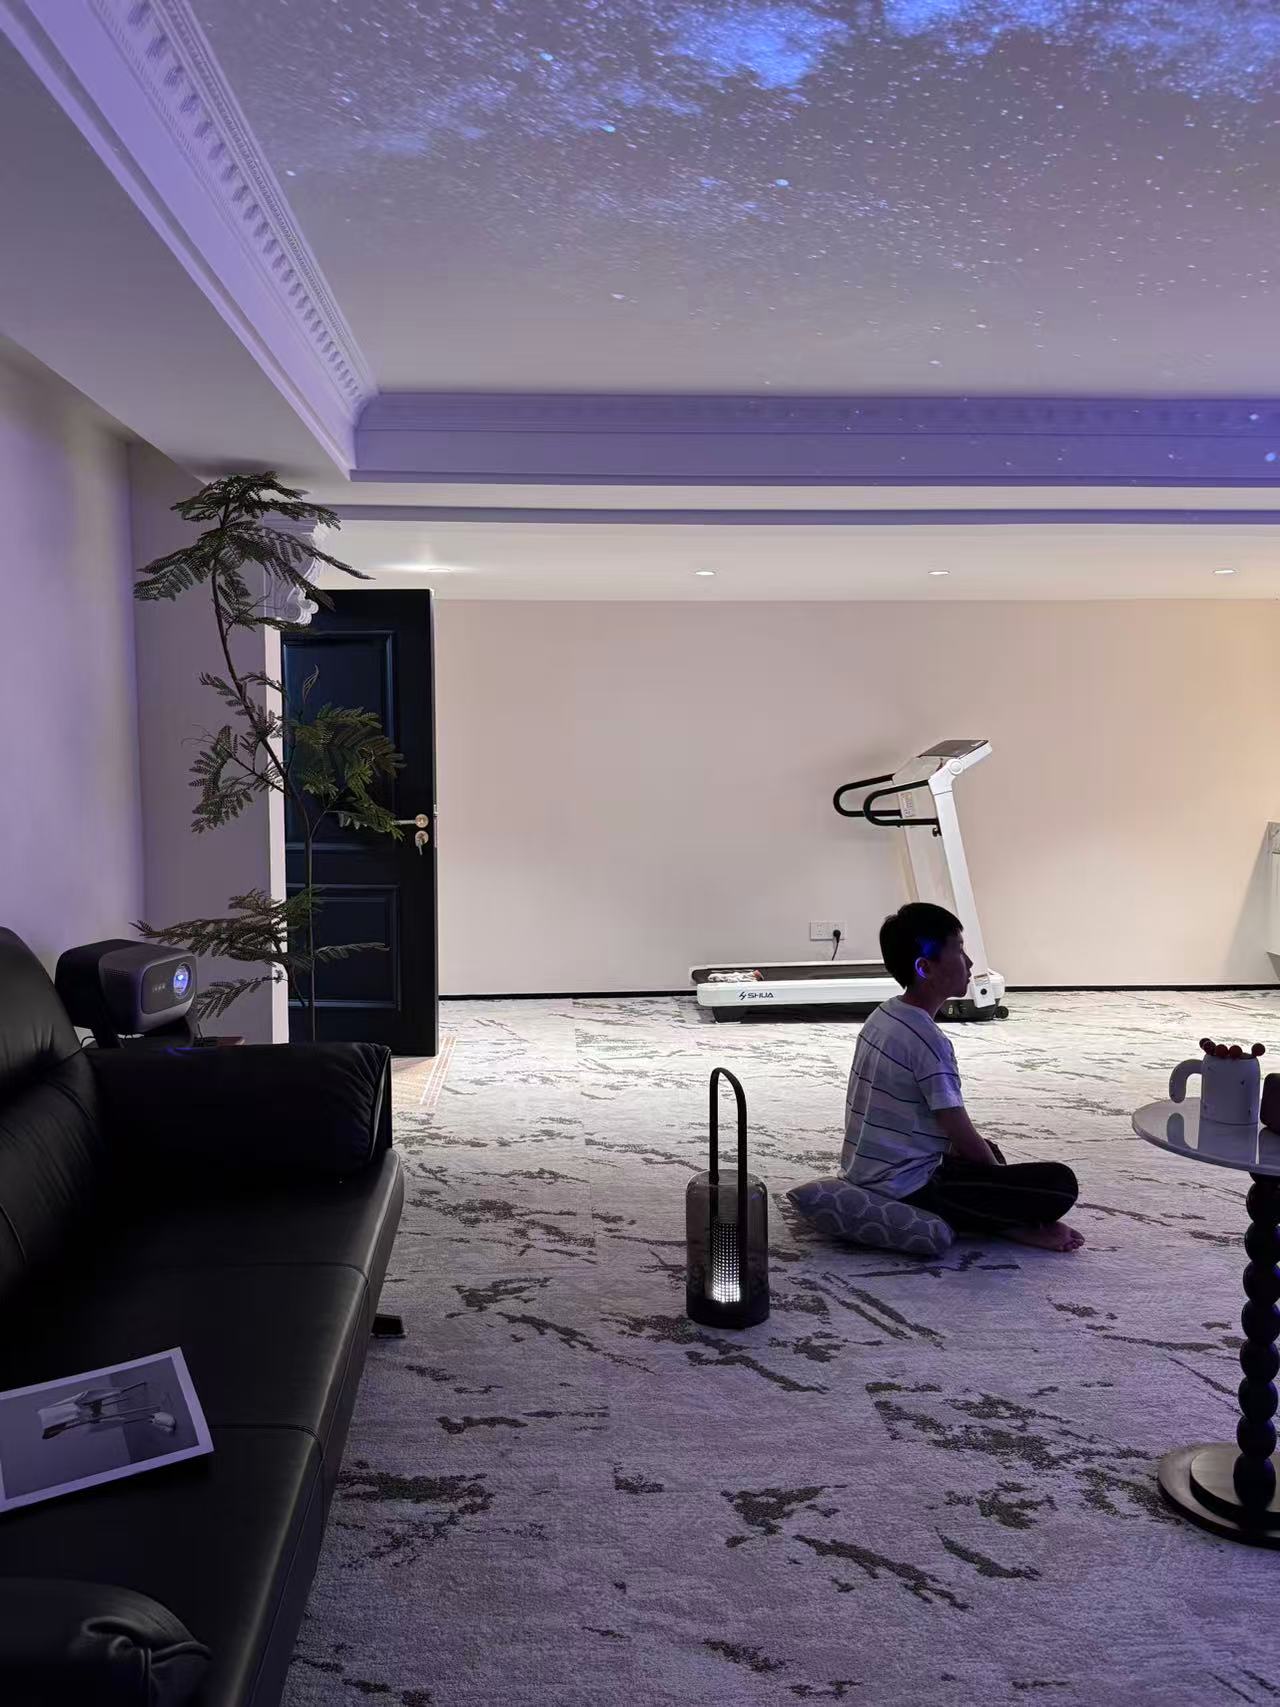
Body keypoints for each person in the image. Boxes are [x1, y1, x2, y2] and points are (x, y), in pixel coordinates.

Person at [839, 902, 1084, 1253]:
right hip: (906, 1188)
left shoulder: (883, 1016)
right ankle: (1007, 1224)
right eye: (958, 950)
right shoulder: (928, 1041)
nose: (969, 963)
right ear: (924, 967)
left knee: (988, 1150)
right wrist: (998, 1182)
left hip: (867, 1169)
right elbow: (956, 1127)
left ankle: (996, 1213)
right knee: (1059, 1184)